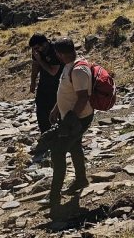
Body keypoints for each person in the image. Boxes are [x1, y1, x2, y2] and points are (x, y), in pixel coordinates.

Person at [48, 37, 94, 216]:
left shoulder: (78, 69)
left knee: (58, 152)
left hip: (78, 118)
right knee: (74, 146)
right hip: (71, 116)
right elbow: (67, 91)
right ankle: (81, 180)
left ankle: (54, 195)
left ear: (59, 54)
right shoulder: (71, 65)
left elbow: (83, 97)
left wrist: (71, 119)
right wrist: (56, 108)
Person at [28, 33, 62, 133]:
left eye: (37, 48)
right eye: (34, 49)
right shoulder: (37, 51)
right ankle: (45, 132)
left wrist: (40, 60)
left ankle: (61, 132)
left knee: (58, 108)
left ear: (45, 44)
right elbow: (35, 66)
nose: (35, 50)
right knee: (41, 107)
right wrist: (33, 81)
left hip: (58, 83)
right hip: (44, 83)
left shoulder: (55, 50)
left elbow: (53, 72)